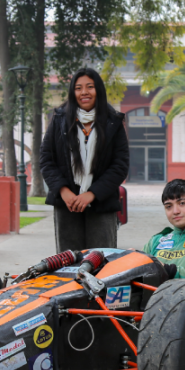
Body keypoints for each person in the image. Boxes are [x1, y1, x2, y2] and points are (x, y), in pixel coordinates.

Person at [40, 67, 129, 252]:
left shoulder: (113, 122)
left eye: (90, 87)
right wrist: (64, 191)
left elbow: (120, 166)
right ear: (73, 92)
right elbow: (46, 160)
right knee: (68, 264)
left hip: (102, 203)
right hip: (67, 205)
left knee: (102, 263)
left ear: (99, 90)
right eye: (78, 88)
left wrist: (92, 194)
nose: (84, 92)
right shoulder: (59, 120)